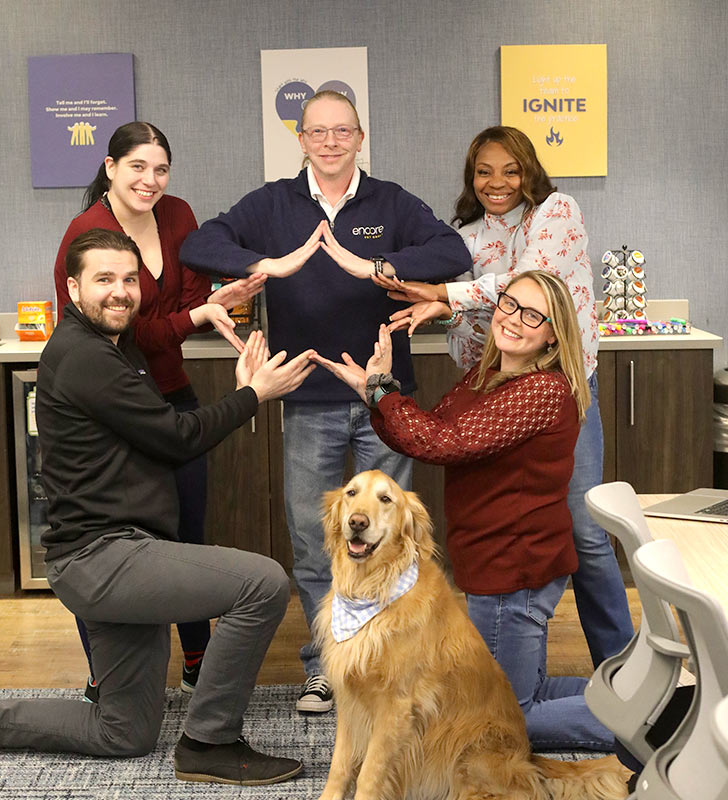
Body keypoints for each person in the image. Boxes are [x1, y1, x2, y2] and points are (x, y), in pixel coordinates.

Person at [0, 228, 312, 785]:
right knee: (265, 583)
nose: (120, 291)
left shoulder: (113, 345)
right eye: (104, 279)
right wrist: (252, 394)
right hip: (103, 558)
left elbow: (160, 412)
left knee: (123, 732)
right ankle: (210, 742)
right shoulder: (85, 356)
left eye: (129, 279)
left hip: (112, 553)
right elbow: (175, 437)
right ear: (72, 287)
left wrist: (210, 323)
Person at [179, 90, 471, 712]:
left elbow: (454, 253)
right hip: (306, 395)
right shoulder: (273, 204)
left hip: (381, 397)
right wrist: (271, 264)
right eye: (319, 132)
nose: (331, 142)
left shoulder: (390, 201)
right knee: (318, 540)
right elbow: (201, 244)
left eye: (343, 131)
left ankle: (389, 659)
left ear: (361, 137)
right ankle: (326, 665)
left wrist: (375, 267)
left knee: (392, 538)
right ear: (302, 139)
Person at [312, 270, 616, 751]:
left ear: (554, 333)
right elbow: (426, 429)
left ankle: (659, 723)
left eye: (533, 315)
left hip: (513, 569)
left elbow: (441, 442)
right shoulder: (490, 376)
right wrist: (379, 388)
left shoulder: (541, 390)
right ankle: (642, 700)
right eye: (510, 304)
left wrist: (381, 393)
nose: (514, 319)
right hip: (498, 563)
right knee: (521, 698)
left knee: (501, 721)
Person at [374, 126, 634, 667]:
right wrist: (447, 311)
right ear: (471, 178)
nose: (498, 182)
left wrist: (449, 294)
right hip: (498, 401)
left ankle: (626, 671)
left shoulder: (557, 212)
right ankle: (516, 658)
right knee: (507, 534)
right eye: (484, 171)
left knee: (585, 532)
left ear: (530, 171)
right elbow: (475, 338)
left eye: (510, 169)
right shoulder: (466, 235)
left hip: (557, 393)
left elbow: (529, 280)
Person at [53, 121, 266, 700]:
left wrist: (217, 304)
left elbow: (195, 295)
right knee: (119, 539)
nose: (151, 181)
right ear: (110, 166)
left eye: (161, 169)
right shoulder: (87, 233)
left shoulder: (177, 215)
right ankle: (106, 678)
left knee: (186, 534)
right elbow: (119, 334)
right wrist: (193, 319)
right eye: (138, 167)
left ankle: (196, 661)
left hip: (169, 389)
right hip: (114, 402)